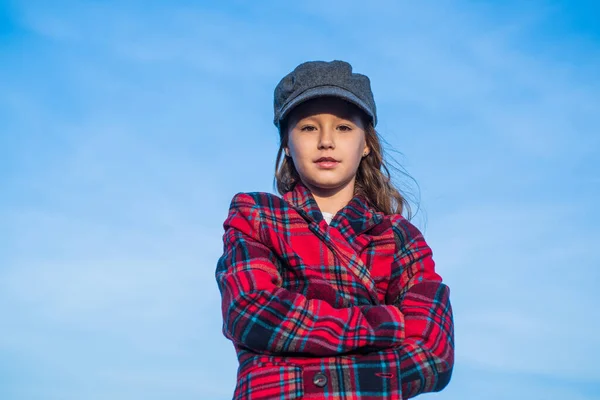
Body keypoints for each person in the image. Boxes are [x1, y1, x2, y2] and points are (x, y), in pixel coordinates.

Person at [215, 60, 454, 400]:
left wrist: (295, 369)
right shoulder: (256, 214)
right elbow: (251, 312)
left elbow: (433, 355)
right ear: (286, 142)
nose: (326, 141)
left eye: (343, 128)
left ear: (366, 143)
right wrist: (386, 325)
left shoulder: (400, 238)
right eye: (308, 128)